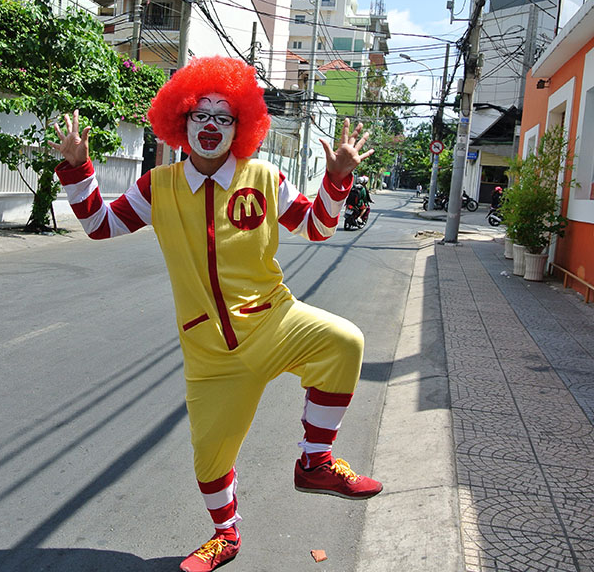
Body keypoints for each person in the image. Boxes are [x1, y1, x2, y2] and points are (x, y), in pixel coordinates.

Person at [49, 56, 382, 572]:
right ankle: (225, 535)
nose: (210, 125)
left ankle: (315, 461)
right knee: (210, 458)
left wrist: (336, 180)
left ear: (241, 126)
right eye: (199, 115)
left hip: (276, 322)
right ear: (179, 121)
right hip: (210, 352)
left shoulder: (266, 178)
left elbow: (316, 228)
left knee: (344, 341)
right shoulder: (156, 187)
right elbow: (99, 225)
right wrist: (76, 170)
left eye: (223, 117)